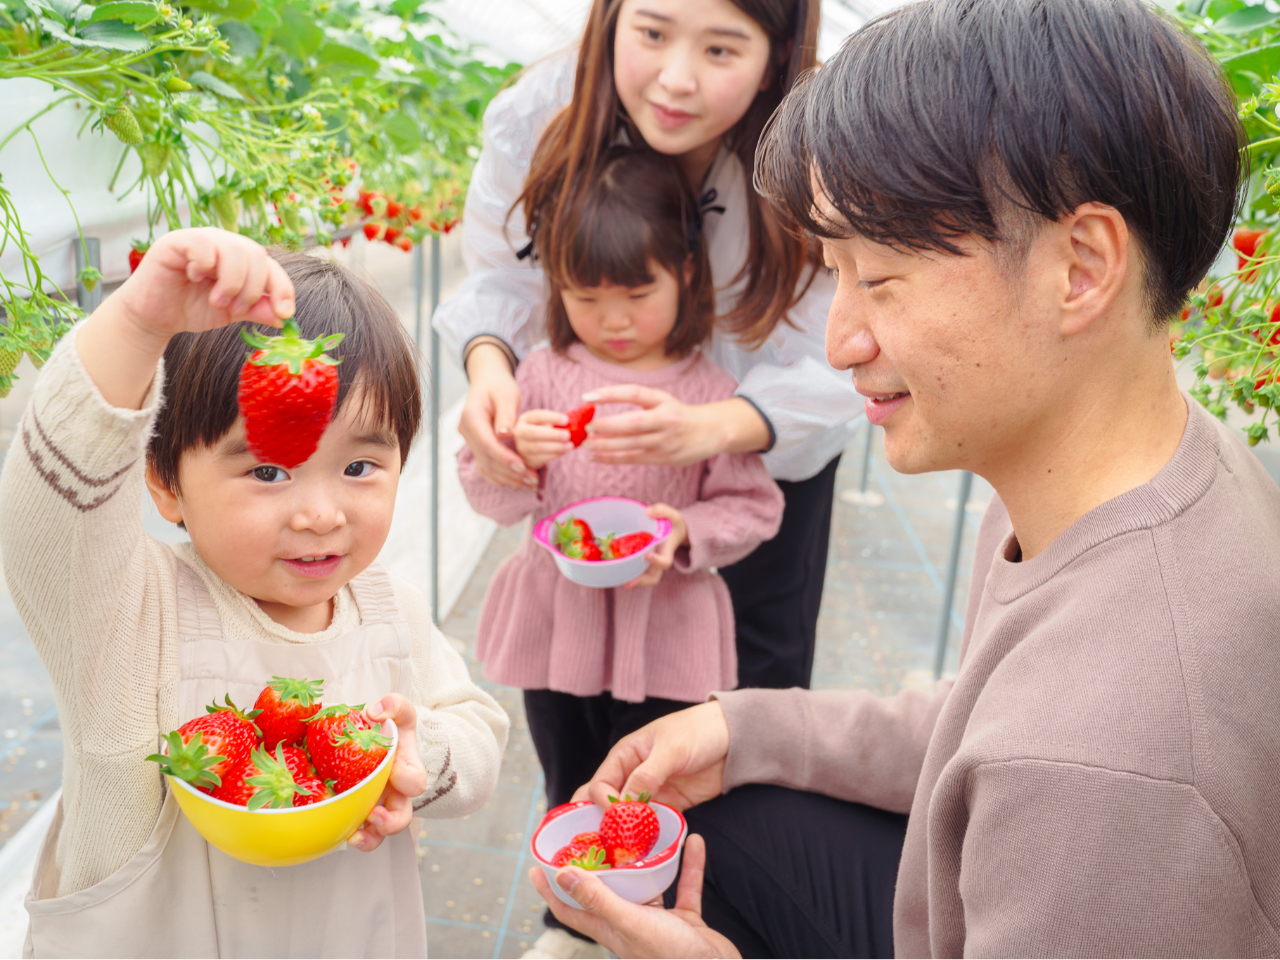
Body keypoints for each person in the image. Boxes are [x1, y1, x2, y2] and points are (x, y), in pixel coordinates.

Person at [526, 0, 1280, 956]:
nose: (842, 343)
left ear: (1081, 267)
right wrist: (742, 730)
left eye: (879, 279)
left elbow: (1036, 748)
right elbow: (985, 715)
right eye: (834, 273)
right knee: (726, 818)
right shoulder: (1149, 472)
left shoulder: (1105, 767)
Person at [2, 229, 510, 958]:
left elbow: (478, 733)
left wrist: (413, 751)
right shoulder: (127, 612)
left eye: (361, 465)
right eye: (269, 472)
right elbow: (52, 514)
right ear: (165, 482)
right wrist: (140, 324)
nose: (321, 513)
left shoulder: (389, 607)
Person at [434, 0, 862, 700]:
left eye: (720, 50)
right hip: (608, 462)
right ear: (610, 19)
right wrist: (490, 374)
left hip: (764, 453)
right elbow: (499, 276)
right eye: (653, 33)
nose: (675, 79)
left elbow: (847, 345)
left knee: (757, 683)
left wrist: (711, 426)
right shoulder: (538, 118)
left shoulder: (824, 156)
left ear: (776, 59)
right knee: (583, 679)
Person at [458, 147, 782, 958]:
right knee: (570, 778)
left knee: (657, 791)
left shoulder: (710, 394)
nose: (614, 318)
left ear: (685, 274)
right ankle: (570, 923)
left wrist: (682, 536)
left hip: (664, 629)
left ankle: (651, 924)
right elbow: (486, 492)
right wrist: (513, 460)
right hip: (559, 621)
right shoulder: (537, 374)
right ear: (557, 290)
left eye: (638, 294)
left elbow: (754, 508)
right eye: (587, 296)